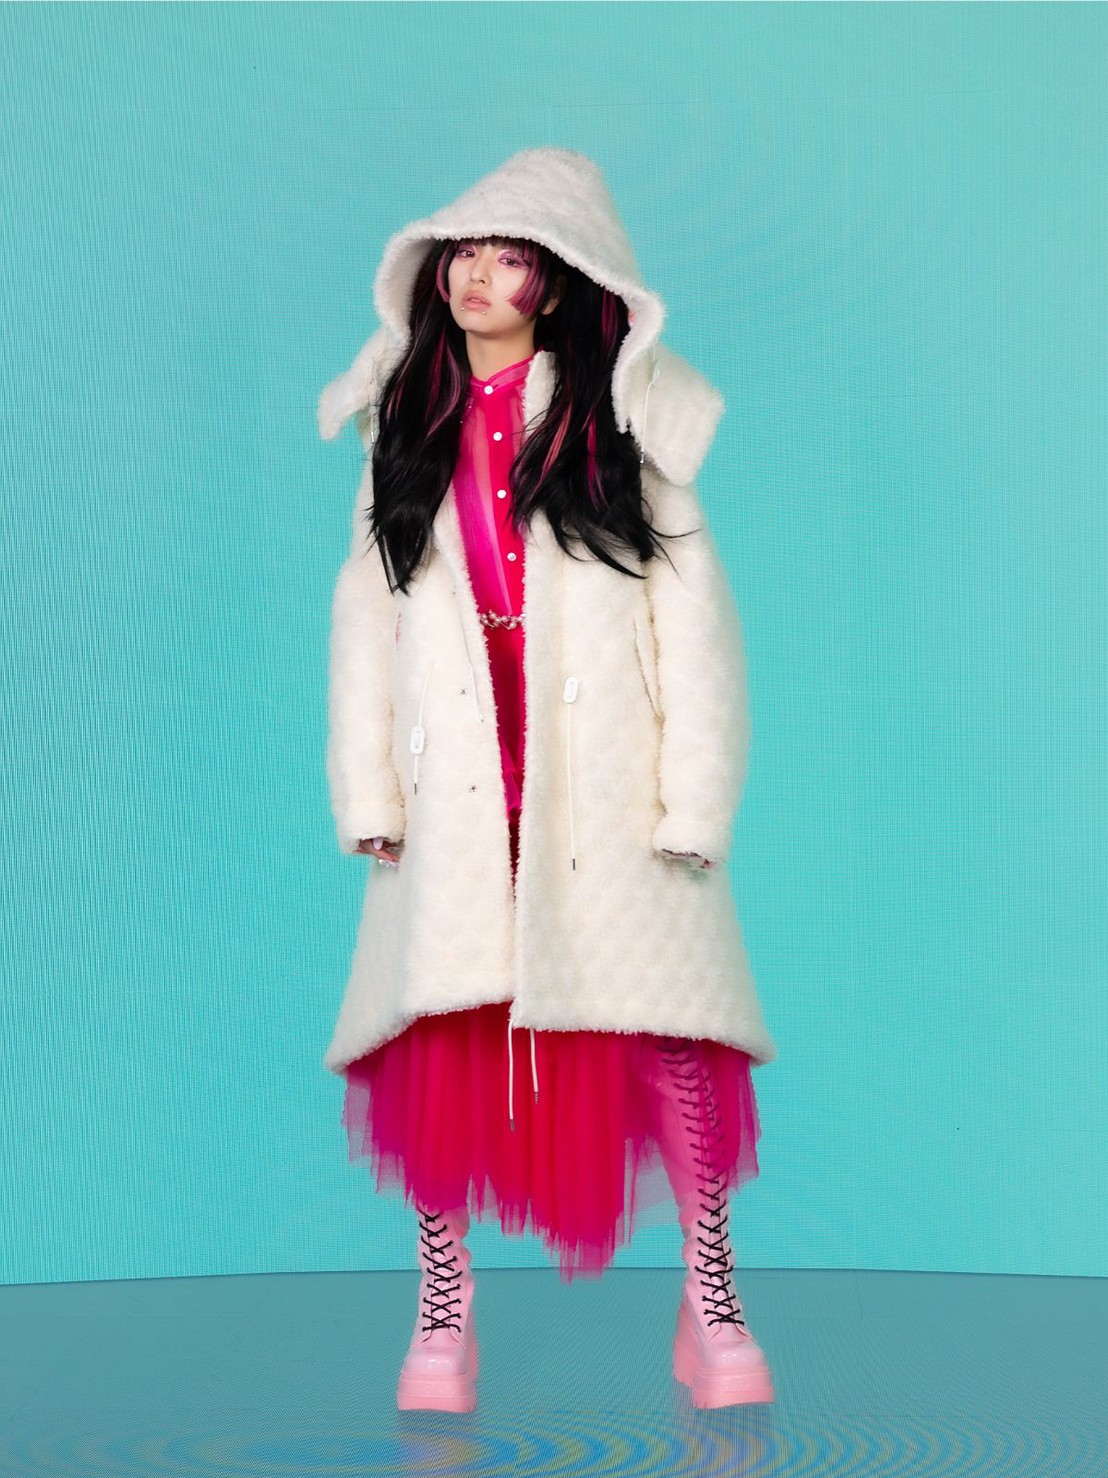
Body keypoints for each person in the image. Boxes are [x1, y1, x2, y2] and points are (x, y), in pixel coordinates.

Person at [317, 147, 778, 1413]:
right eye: (460, 253)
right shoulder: (402, 427)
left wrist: (693, 796)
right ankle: (443, 1301)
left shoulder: (622, 421)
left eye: (507, 254)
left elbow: (695, 621)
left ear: (560, 281)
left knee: (673, 1028)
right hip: (454, 784)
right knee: (439, 1032)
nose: (475, 275)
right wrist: (369, 792)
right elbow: (366, 617)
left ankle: (712, 1292)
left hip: (609, 783)